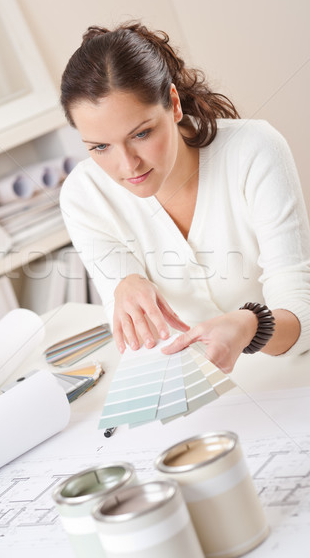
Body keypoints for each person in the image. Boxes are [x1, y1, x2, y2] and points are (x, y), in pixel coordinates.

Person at [59, 22, 310, 373]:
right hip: (198, 387)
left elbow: (301, 314)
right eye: (100, 147)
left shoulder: (254, 150)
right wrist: (123, 283)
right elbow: (139, 337)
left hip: (291, 375)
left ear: (174, 105)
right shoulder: (83, 196)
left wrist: (250, 326)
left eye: (142, 133)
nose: (127, 165)